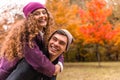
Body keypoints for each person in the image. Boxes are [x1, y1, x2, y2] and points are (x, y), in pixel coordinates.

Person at [0, 2, 63, 80]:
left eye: (44, 12)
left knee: (50, 60)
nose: (42, 16)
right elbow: (36, 58)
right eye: (37, 14)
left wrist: (60, 65)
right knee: (37, 65)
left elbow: (56, 50)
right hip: (11, 74)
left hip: (25, 74)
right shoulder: (25, 34)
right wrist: (54, 70)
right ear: (30, 18)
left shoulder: (45, 33)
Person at [6, 29, 74, 80]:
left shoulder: (55, 67)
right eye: (54, 39)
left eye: (61, 43)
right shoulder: (32, 62)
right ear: (49, 40)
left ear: (65, 49)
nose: (56, 44)